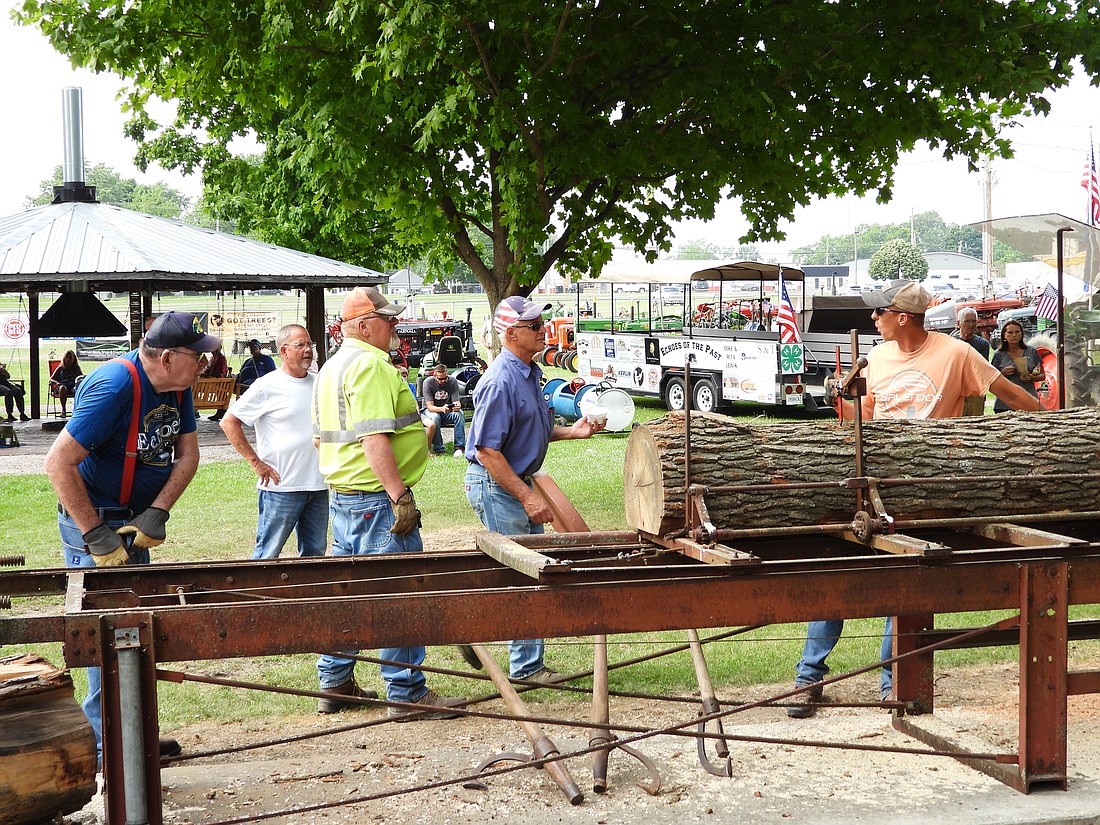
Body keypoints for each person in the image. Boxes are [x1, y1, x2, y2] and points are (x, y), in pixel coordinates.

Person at [788, 280, 1040, 719]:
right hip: (873, 483)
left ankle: (894, 685)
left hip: (925, 489)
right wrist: (839, 399)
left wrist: (1051, 424)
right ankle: (809, 679)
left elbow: (1010, 394)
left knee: (905, 586)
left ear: (902, 317)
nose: (871, 318)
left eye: (878, 312)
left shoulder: (957, 354)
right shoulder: (878, 356)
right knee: (837, 577)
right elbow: (863, 417)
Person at [43, 311, 220, 763]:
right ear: (165, 356)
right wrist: (94, 533)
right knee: (107, 633)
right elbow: (58, 463)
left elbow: (188, 454)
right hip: (97, 520)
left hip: (133, 520)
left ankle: (131, 735)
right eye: (197, 356)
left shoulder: (174, 387)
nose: (206, 363)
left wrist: (157, 511)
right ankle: (108, 748)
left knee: (136, 629)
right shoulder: (114, 387)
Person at [312, 286, 462, 719]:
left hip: (345, 498)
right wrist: (399, 496)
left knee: (348, 594)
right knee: (399, 593)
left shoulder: (332, 366)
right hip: (377, 502)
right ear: (362, 326)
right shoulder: (369, 365)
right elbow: (374, 438)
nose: (395, 326)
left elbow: (322, 438)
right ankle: (407, 692)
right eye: (387, 319)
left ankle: (335, 680)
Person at [464, 296, 606, 684]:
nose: (544, 331)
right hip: (497, 485)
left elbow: (526, 431)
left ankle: (501, 644)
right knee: (523, 576)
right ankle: (507, 654)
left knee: (528, 572)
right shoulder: (499, 380)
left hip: (510, 482)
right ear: (511, 334)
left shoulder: (529, 372)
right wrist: (527, 496)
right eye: (536, 327)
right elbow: (487, 450)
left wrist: (571, 431)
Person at [220, 325, 328, 560]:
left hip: (318, 485)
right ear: (284, 351)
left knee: (316, 555)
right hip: (282, 487)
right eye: (300, 345)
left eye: (310, 344)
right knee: (267, 554)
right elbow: (229, 422)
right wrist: (256, 463)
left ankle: (308, 596)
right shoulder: (267, 386)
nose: (308, 350)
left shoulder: (320, 383)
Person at [991, 319, 1043, 413]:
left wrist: (1030, 377)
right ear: (1004, 335)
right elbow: (990, 379)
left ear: (1021, 334)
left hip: (1029, 399)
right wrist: (1002, 373)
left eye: (1017, 332)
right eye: (1010, 332)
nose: (1014, 335)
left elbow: (1042, 375)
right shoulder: (998, 355)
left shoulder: (1031, 351)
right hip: (1005, 403)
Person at [950, 306, 991, 416]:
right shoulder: (950, 342)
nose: (971, 324)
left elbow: (982, 370)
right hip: (955, 391)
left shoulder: (983, 344)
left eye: (974, 321)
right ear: (958, 324)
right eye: (967, 321)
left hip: (975, 392)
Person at [421, 362, 467, 457]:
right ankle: (439, 448)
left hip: (447, 411)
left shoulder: (453, 381)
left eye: (445, 378)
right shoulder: (428, 382)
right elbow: (429, 407)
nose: (443, 381)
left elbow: (456, 401)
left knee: (459, 414)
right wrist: (442, 409)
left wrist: (457, 406)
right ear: (434, 376)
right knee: (435, 417)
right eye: (440, 379)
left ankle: (460, 447)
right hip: (431, 411)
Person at [201, 343, 232, 421]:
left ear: (220, 348)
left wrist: (208, 375)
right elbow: (207, 370)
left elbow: (221, 374)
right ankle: (221, 412)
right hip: (210, 383)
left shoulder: (221, 358)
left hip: (216, 384)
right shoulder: (212, 358)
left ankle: (221, 411)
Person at [49, 350, 83, 416]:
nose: (68, 359)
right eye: (66, 358)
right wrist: (57, 383)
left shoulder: (76, 368)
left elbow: (81, 378)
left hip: (72, 387)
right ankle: (63, 410)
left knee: (77, 389)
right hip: (61, 387)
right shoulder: (60, 368)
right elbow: (51, 379)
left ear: (74, 359)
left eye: (70, 358)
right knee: (63, 388)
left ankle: (77, 409)